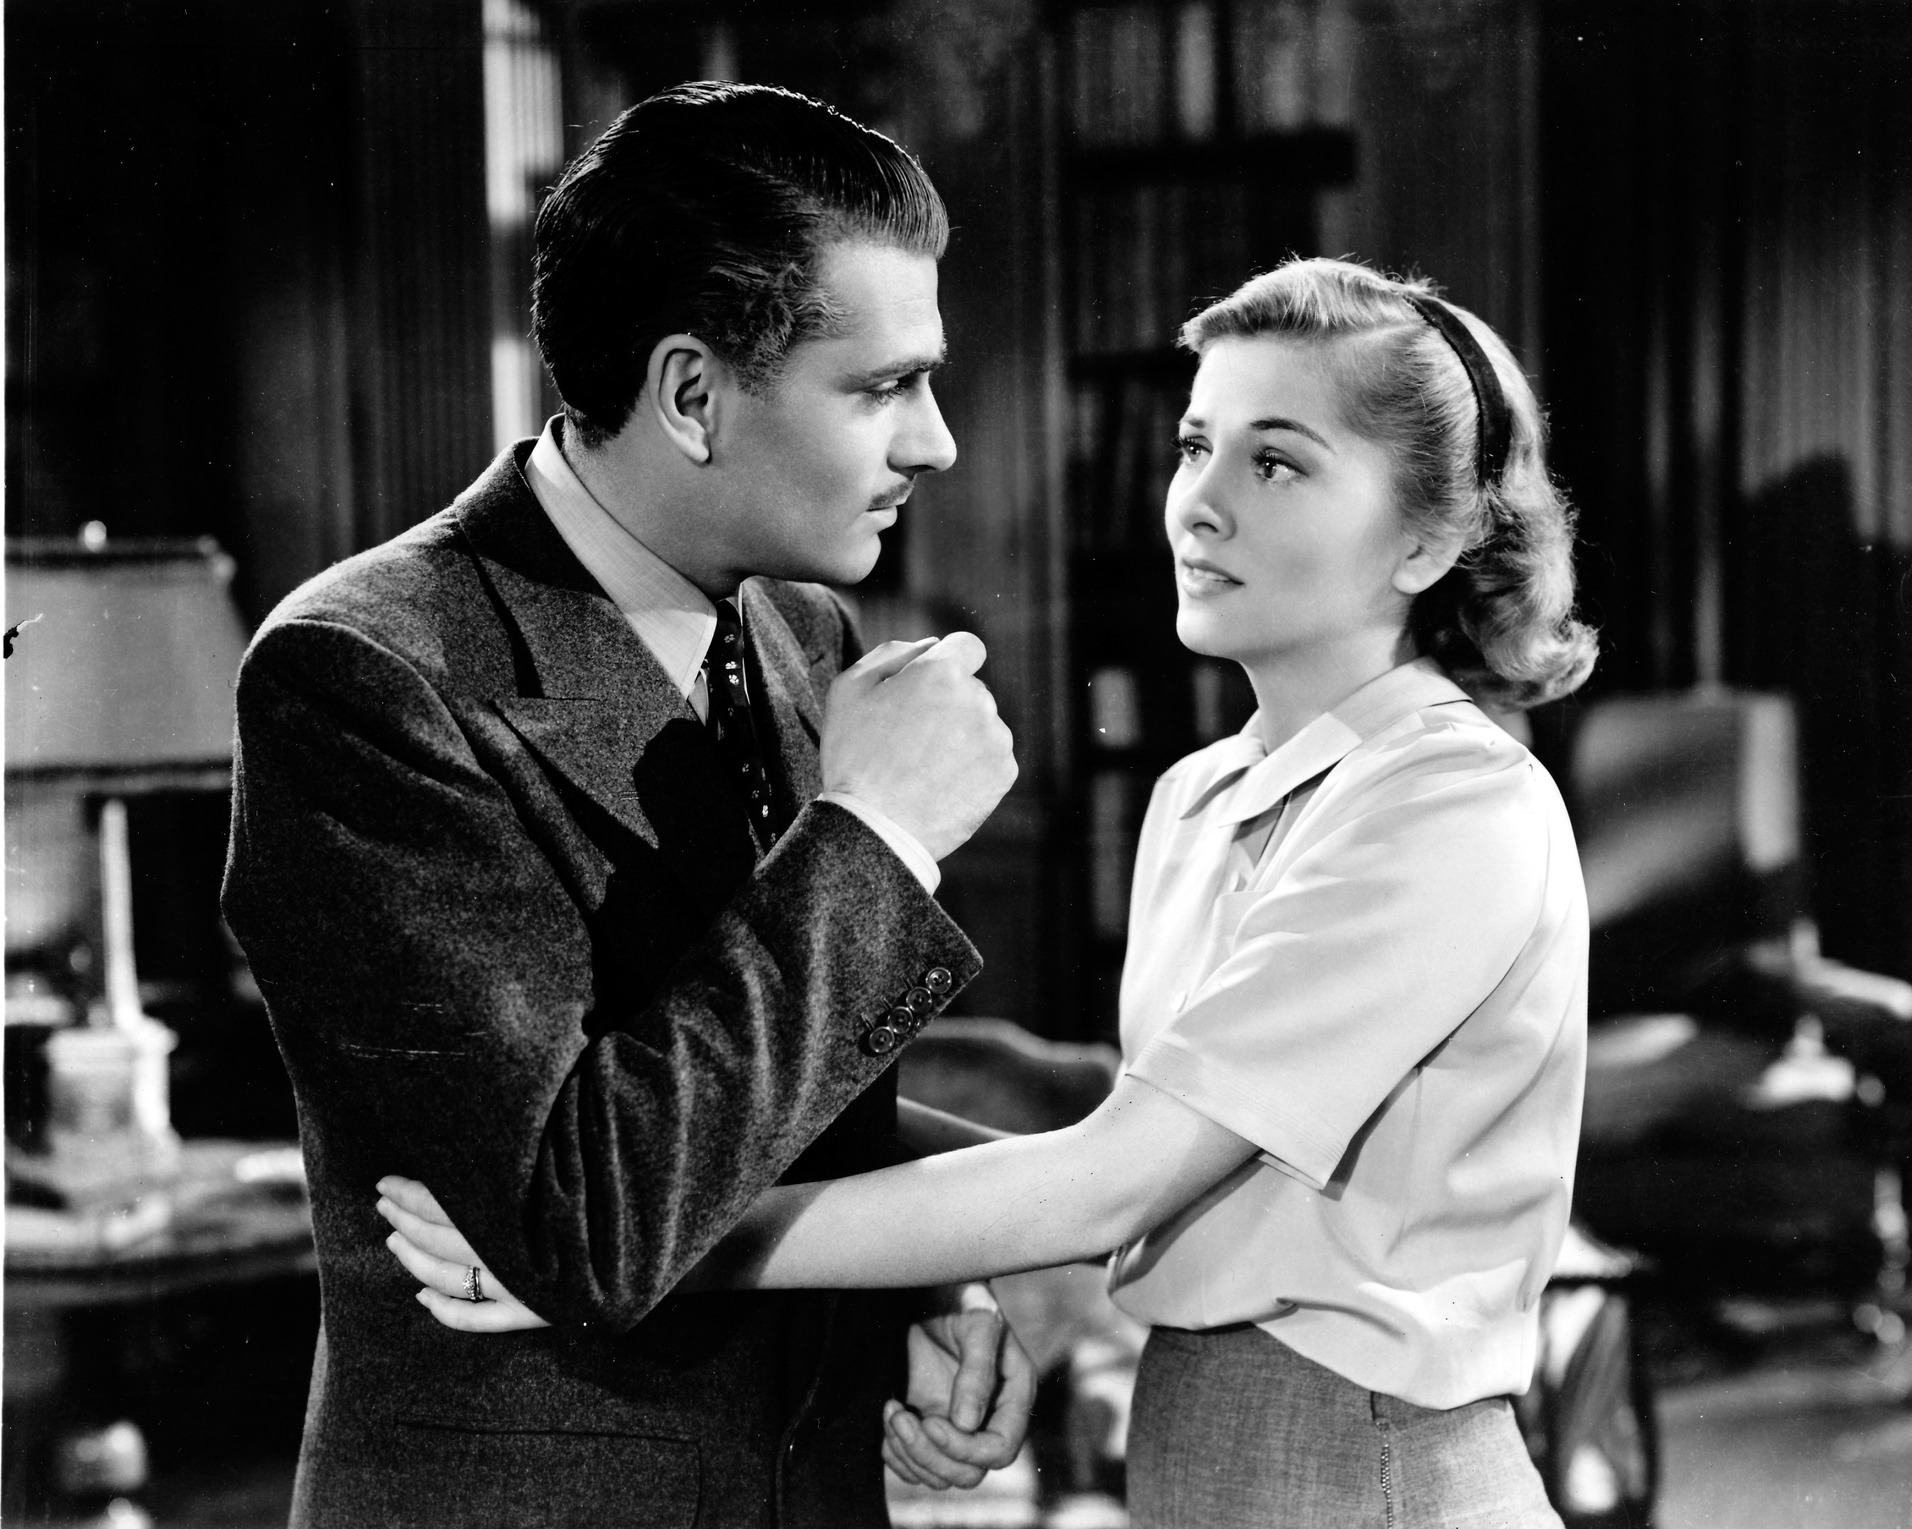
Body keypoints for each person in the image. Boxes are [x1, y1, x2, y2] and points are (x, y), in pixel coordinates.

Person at [381, 256, 1598, 1528]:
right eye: (1195, 446)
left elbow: (1113, 1182)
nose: (1198, 505)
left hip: (1372, 1469)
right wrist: (630, 1197)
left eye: (1276, 462)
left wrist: (637, 1251)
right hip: (1200, 1451)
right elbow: (1147, 1165)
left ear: (1427, 538)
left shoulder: (1450, 803)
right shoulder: (1203, 795)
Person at [222, 82, 1038, 1529]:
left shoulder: (804, 631)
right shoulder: (365, 673)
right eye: (882, 388)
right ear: (690, 396)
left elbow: (782, 1096)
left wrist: (925, 1276)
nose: (937, 443)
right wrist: (878, 837)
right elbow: (581, 1218)